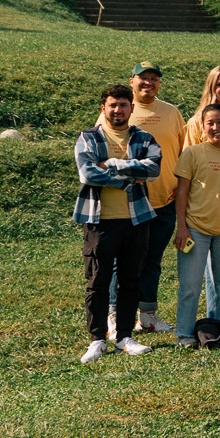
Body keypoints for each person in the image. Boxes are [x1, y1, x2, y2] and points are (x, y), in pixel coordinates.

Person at [74, 84, 162, 364]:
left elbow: (153, 169)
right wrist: (127, 176)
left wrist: (110, 164)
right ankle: (97, 339)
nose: (118, 110)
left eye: (123, 105)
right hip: (100, 221)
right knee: (97, 282)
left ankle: (124, 337)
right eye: (112, 105)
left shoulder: (144, 137)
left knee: (130, 280)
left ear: (132, 108)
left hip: (136, 220)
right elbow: (87, 174)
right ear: (103, 108)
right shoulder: (88, 137)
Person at [110, 61, 187, 338]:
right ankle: (114, 316)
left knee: (153, 259)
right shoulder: (121, 110)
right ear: (132, 81)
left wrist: (181, 187)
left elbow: (183, 151)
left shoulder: (171, 112)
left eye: (154, 78)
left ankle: (147, 315)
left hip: (165, 199)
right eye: (143, 78)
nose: (148, 83)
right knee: (123, 259)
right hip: (129, 200)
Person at [171, 100, 220, 340]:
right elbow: (181, 192)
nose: (216, 127)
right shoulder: (192, 153)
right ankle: (184, 334)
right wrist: (182, 227)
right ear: (202, 127)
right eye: (210, 123)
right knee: (190, 287)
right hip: (195, 229)